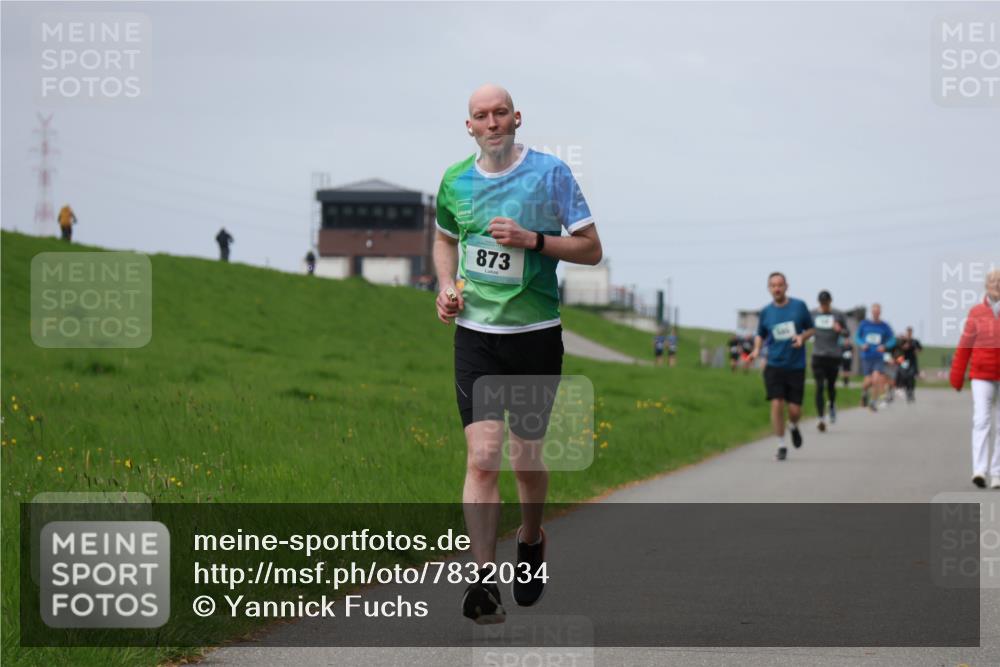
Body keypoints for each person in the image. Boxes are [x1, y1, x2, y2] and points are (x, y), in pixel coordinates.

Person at [433, 84, 603, 623]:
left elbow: (591, 249)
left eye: (500, 112)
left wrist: (534, 241)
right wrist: (445, 287)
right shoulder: (454, 180)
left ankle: (531, 541)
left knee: (525, 460)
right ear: (469, 126)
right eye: (480, 116)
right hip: (476, 338)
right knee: (482, 457)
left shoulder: (551, 174)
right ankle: (482, 581)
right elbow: (444, 239)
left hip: (534, 336)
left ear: (517, 118)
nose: (491, 122)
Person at [749, 272, 815, 461]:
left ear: (786, 286)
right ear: (769, 289)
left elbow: (811, 328)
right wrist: (756, 350)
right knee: (776, 402)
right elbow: (760, 334)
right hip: (774, 364)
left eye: (780, 285)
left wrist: (802, 337)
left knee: (794, 410)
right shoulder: (766, 312)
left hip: (796, 365)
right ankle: (780, 444)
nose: (777, 288)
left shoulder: (799, 306)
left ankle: (793, 426)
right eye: (773, 285)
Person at [950, 269, 1000, 489]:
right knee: (981, 420)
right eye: (993, 281)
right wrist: (957, 374)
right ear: (986, 285)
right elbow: (965, 343)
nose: (996, 284)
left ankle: (997, 472)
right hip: (981, 374)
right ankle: (979, 470)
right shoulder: (977, 312)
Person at [811, 290, 849, 431]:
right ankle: (821, 418)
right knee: (819, 387)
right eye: (822, 303)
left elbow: (847, 333)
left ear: (830, 302)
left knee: (831, 386)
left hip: (833, 355)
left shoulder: (838, 314)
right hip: (818, 355)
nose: (824, 305)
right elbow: (806, 328)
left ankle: (832, 404)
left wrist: (840, 330)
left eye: (826, 303)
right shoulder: (813, 314)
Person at [855, 304, 895, 412]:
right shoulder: (864, 324)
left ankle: (873, 402)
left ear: (880, 312)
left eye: (877, 311)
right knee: (868, 381)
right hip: (867, 356)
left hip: (878, 357)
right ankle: (864, 392)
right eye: (874, 311)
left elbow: (892, 340)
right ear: (871, 312)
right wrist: (862, 344)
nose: (876, 313)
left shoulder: (884, 326)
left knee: (876, 378)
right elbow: (857, 337)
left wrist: (885, 346)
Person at [893, 327, 923, 403]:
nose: (909, 334)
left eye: (910, 332)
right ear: (906, 332)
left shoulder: (915, 341)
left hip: (912, 361)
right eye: (908, 332)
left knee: (911, 376)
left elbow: (920, 349)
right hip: (904, 361)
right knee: (904, 376)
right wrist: (903, 347)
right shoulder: (902, 340)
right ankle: (907, 391)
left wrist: (917, 351)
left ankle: (911, 392)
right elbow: (898, 348)